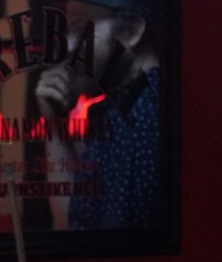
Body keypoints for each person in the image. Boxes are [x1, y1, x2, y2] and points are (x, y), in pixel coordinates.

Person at [32, 0, 164, 231]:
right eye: (67, 31)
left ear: (131, 31)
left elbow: (94, 244)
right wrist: (54, 126)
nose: (68, 46)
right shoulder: (122, 110)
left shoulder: (139, 119)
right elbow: (73, 222)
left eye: (81, 28)